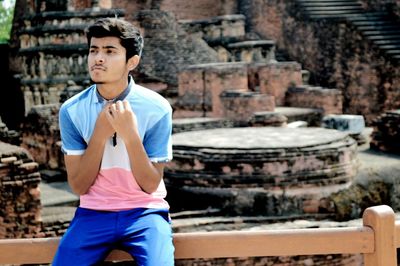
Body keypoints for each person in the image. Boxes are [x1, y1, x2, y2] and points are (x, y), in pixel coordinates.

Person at [53, 17, 174, 266]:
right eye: (93, 50)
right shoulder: (72, 110)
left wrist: (130, 135)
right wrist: (99, 134)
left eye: (110, 51)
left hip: (145, 213)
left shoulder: (157, 108)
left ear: (132, 62)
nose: (98, 58)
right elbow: (78, 185)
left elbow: (151, 184)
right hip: (93, 213)